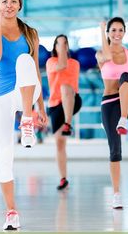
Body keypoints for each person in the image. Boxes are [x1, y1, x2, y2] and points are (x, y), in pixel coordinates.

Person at [0, 0, 47, 230]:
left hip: (26, 92)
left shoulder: (30, 33)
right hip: (0, 95)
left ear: (20, 5)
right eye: (4, 2)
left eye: (13, 1)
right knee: (4, 154)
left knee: (24, 60)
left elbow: (36, 69)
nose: (9, 5)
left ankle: (27, 120)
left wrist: (41, 108)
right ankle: (11, 212)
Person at [96, 17, 128, 209]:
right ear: (108, 33)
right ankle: (116, 194)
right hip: (110, 103)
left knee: (126, 76)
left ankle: (123, 119)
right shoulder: (101, 54)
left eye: (120, 30)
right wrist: (101, 29)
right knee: (114, 150)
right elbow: (107, 56)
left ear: (124, 32)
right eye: (112, 30)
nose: (116, 34)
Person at [46, 34, 82, 190]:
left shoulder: (74, 63)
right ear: (54, 47)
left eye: (65, 43)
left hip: (72, 100)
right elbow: (59, 65)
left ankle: (68, 123)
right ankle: (63, 179)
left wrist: (61, 48)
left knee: (65, 87)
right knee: (60, 144)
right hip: (55, 105)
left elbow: (64, 66)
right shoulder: (50, 62)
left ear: (67, 47)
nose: (62, 46)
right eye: (59, 44)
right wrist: (60, 47)